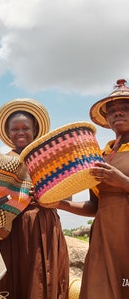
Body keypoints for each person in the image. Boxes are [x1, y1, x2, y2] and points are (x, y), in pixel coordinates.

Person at [58, 79, 129, 299]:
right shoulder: (100, 156)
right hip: (105, 237)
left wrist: (124, 183)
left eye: (126, 108)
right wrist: (61, 204)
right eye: (113, 111)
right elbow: (94, 206)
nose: (118, 113)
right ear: (106, 119)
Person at [0, 98, 69, 298]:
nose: (20, 132)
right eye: (14, 129)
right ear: (8, 133)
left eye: (25, 128)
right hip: (11, 229)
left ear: (34, 129)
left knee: (41, 277)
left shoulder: (49, 156)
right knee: (12, 279)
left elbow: (67, 194)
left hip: (42, 225)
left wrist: (47, 193)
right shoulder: (1, 161)